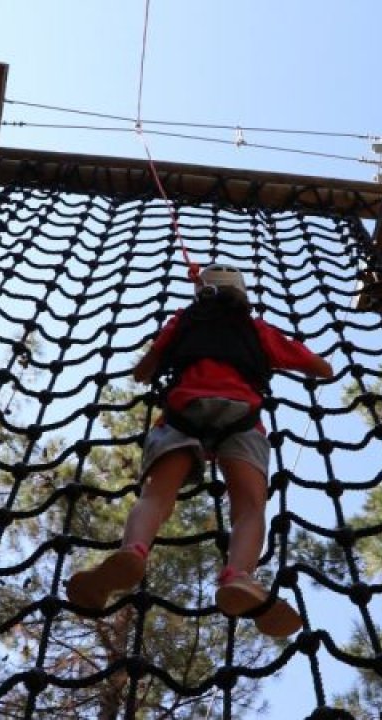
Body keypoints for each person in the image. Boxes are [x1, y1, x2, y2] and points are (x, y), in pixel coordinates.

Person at [66, 264, 332, 637]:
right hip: (242, 415)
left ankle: (134, 550)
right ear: (241, 295)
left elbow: (143, 372)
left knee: (156, 496)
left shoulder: (184, 321)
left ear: (202, 295)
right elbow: (323, 368)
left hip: (182, 412)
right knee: (249, 508)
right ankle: (239, 575)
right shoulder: (257, 329)